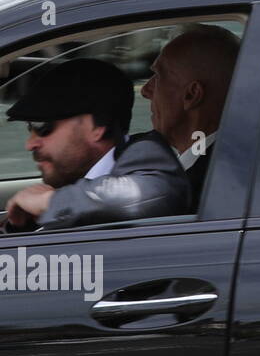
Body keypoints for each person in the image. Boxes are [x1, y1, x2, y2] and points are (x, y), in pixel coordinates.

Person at [2, 58, 191, 232]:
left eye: (43, 127)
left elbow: (149, 194)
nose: (30, 144)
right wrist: (21, 226)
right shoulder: (77, 183)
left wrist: (48, 201)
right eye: (30, 128)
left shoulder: (149, 157)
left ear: (97, 127)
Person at [141, 25, 240, 209]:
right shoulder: (227, 163)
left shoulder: (201, 188)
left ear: (192, 95)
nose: (146, 91)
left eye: (158, 76)